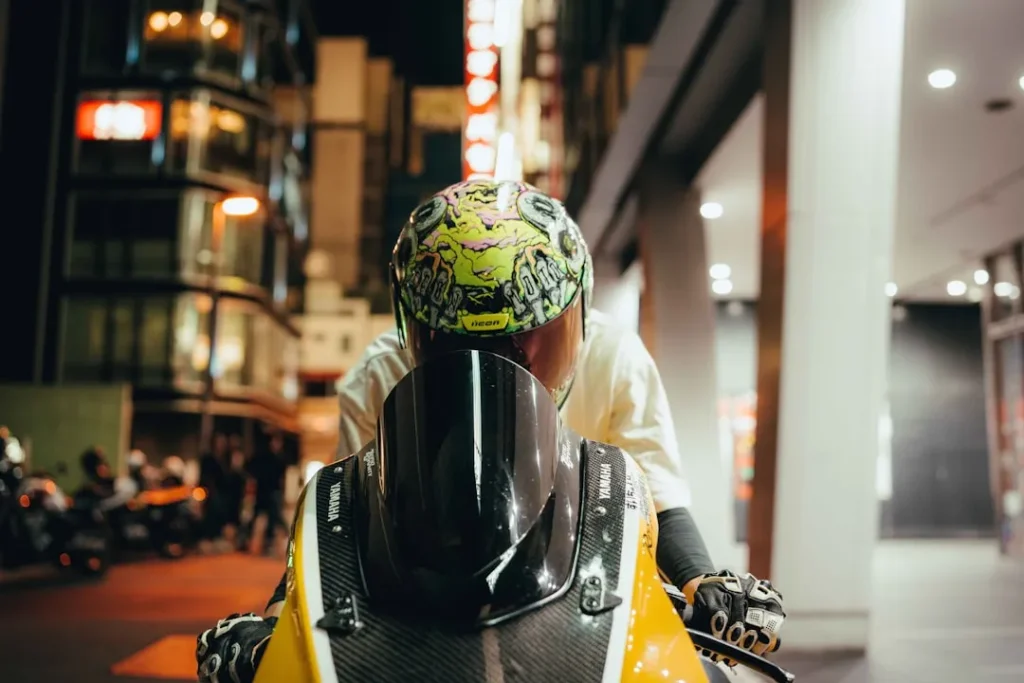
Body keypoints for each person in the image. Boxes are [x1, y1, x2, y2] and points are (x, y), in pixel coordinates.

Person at [197, 180, 785, 682]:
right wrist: (277, 620)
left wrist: (704, 579)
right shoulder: (377, 376)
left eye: (534, 334)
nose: (511, 359)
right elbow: (344, 520)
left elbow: (658, 490)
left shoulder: (616, 357)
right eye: (460, 341)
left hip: (595, 591)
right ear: (416, 331)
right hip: (421, 592)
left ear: (577, 315)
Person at [243, 434, 287, 556]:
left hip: (273, 492)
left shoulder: (279, 458)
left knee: (273, 519)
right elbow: (250, 469)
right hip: (264, 492)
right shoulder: (265, 458)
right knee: (258, 516)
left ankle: (268, 543)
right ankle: (247, 540)